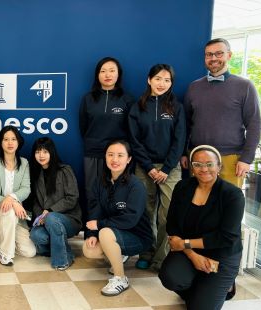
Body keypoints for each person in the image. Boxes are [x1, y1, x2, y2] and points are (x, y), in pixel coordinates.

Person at [159, 145, 244, 310]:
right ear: (191, 167)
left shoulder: (232, 195)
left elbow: (226, 237)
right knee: (170, 277)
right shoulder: (182, 187)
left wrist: (184, 244)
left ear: (219, 166)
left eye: (209, 164)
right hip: (190, 250)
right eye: (197, 164)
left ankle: (224, 285)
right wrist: (191, 254)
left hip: (221, 254)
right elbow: (172, 224)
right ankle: (201, 286)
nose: (204, 169)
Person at [182, 38, 261, 188]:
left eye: (219, 54)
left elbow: (254, 124)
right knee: (200, 205)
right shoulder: (194, 87)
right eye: (209, 55)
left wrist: (246, 159)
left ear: (229, 55)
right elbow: (185, 123)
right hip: (198, 157)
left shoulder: (245, 86)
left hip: (231, 160)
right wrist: (184, 153)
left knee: (229, 206)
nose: (213, 58)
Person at [128, 64, 185, 271]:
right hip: (145, 167)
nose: (162, 84)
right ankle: (146, 252)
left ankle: (162, 257)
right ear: (149, 80)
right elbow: (134, 141)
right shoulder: (138, 107)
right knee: (145, 211)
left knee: (168, 213)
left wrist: (166, 168)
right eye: (158, 79)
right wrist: (150, 168)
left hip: (170, 168)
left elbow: (179, 141)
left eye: (167, 80)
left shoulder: (176, 107)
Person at [83, 140, 152, 296]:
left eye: (120, 155)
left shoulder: (136, 185)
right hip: (113, 232)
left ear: (128, 159)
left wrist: (100, 225)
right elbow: (95, 210)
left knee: (105, 233)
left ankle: (120, 278)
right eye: (110, 155)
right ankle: (118, 254)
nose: (114, 160)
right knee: (89, 250)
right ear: (105, 157)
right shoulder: (100, 182)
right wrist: (93, 234)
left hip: (138, 236)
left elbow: (130, 219)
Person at [0, 126, 36, 266]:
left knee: (30, 252)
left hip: (15, 214)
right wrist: (13, 202)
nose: (10, 143)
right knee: (9, 211)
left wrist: (12, 198)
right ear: (1, 142)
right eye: (6, 139)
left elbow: (26, 189)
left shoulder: (24, 163)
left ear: (18, 142)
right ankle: (5, 254)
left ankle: (1, 236)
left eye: (13, 139)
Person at [79, 57, 135, 201]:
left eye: (112, 71)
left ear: (118, 74)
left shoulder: (127, 99)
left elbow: (132, 129)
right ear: (98, 75)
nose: (108, 75)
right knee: (92, 190)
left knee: (118, 193)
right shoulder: (88, 99)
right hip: (93, 152)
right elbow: (83, 126)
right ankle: (92, 223)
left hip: (117, 154)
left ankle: (114, 223)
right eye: (103, 71)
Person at [28, 137, 82, 270]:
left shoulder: (64, 170)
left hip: (69, 219)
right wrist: (40, 216)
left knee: (52, 218)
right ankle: (64, 250)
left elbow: (72, 197)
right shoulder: (35, 173)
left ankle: (62, 260)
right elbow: (35, 201)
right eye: (38, 152)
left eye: (45, 151)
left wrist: (51, 211)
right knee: (36, 235)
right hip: (46, 219)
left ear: (51, 152)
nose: (41, 155)